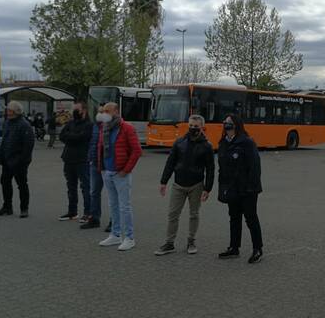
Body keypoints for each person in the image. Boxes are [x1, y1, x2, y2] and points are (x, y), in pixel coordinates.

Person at [155, 114, 215, 256]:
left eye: (196, 126)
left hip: (196, 185)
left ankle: (191, 241)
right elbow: (170, 163)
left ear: (202, 128)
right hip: (178, 184)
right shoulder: (179, 142)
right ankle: (169, 243)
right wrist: (163, 182)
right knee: (173, 214)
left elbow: (210, 169)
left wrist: (208, 188)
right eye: (191, 126)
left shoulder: (207, 146)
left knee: (194, 214)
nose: (193, 128)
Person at [216, 114, 263, 264]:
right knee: (234, 218)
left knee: (251, 218)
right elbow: (222, 168)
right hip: (231, 188)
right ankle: (234, 247)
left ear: (236, 125)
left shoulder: (247, 142)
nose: (226, 125)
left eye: (229, 123)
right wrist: (222, 186)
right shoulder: (223, 143)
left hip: (248, 189)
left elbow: (255, 167)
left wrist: (251, 187)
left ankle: (258, 249)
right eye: (225, 122)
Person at [97, 102, 142, 251]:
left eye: (108, 111)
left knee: (124, 206)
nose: (105, 114)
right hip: (108, 172)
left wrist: (126, 170)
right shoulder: (105, 127)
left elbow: (137, 151)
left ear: (116, 111)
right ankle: (115, 235)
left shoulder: (127, 128)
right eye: (104, 112)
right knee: (113, 205)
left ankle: (129, 237)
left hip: (120, 173)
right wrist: (101, 168)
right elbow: (101, 148)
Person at [0, 101, 35, 218]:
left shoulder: (24, 125)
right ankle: (7, 207)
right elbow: (4, 140)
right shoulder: (7, 123)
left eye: (9, 110)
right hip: (7, 159)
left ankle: (24, 208)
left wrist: (22, 160)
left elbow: (29, 144)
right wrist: (0, 155)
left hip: (19, 161)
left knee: (22, 184)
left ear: (15, 112)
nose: (7, 112)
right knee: (5, 182)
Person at [58, 102, 93, 222]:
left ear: (83, 110)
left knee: (86, 187)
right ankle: (72, 212)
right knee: (71, 186)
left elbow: (83, 137)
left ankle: (88, 213)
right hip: (68, 158)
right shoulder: (70, 123)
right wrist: (74, 137)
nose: (74, 112)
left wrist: (71, 137)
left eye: (76, 110)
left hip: (82, 160)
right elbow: (62, 136)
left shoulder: (89, 125)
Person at [81, 105, 106, 230]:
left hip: (109, 166)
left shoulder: (113, 126)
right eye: (98, 111)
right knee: (94, 192)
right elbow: (92, 143)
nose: (100, 114)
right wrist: (90, 159)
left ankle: (115, 222)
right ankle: (94, 218)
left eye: (103, 111)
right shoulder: (95, 126)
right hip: (95, 164)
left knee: (114, 195)